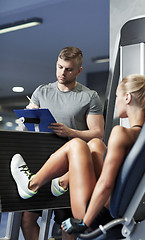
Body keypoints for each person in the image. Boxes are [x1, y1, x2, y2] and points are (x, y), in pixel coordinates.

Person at [10, 74, 145, 238]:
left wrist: (84, 222)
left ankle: (31, 184)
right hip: (121, 207)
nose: (116, 101)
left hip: (97, 214)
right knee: (94, 143)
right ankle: (61, 182)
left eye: (117, 96)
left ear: (128, 98)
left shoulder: (121, 133)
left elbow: (106, 184)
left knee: (76, 145)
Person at [21, 46, 104, 240]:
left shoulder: (89, 96)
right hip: (44, 162)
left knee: (66, 225)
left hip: (72, 167)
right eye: (59, 67)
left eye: (68, 69)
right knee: (27, 219)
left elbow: (98, 134)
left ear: (79, 71)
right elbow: (27, 130)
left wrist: (70, 132)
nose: (62, 73)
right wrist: (27, 118)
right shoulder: (41, 92)